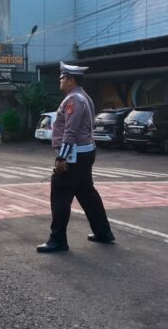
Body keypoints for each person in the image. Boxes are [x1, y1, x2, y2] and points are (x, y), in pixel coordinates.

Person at [37, 62, 115, 253]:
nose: (60, 81)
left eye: (62, 78)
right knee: (87, 194)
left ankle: (58, 240)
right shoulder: (83, 96)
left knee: (60, 196)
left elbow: (70, 132)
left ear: (71, 80)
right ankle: (103, 232)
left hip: (74, 155)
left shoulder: (73, 100)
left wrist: (61, 158)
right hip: (84, 152)